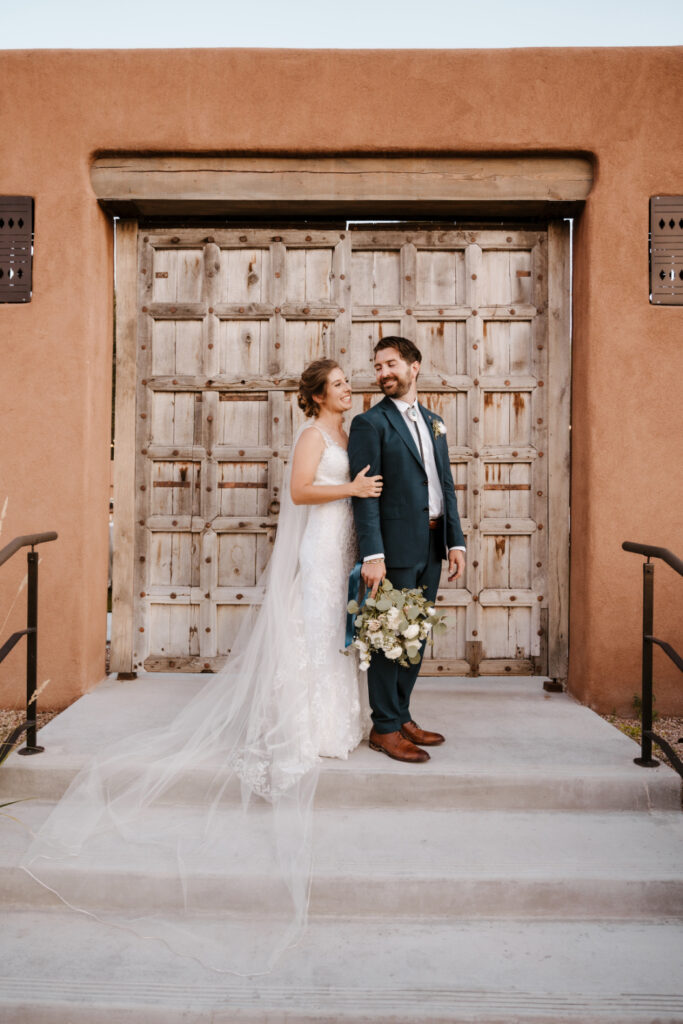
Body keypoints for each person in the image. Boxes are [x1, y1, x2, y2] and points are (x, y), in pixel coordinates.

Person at [21, 358, 379, 975]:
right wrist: (349, 489)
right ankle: (306, 726)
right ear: (318, 396)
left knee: (334, 635)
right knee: (314, 627)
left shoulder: (351, 433)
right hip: (319, 542)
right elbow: (298, 492)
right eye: (341, 383)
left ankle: (337, 723)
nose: (350, 388)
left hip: (343, 540)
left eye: (350, 381)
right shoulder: (313, 437)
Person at [348, 336, 466, 764]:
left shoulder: (434, 421)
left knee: (415, 636)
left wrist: (455, 541)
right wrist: (373, 554)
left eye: (391, 364)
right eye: (378, 366)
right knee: (386, 638)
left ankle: (401, 716)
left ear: (414, 367)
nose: (383, 374)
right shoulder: (370, 423)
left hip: (432, 544)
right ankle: (383, 728)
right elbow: (364, 495)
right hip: (393, 549)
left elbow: (444, 486)